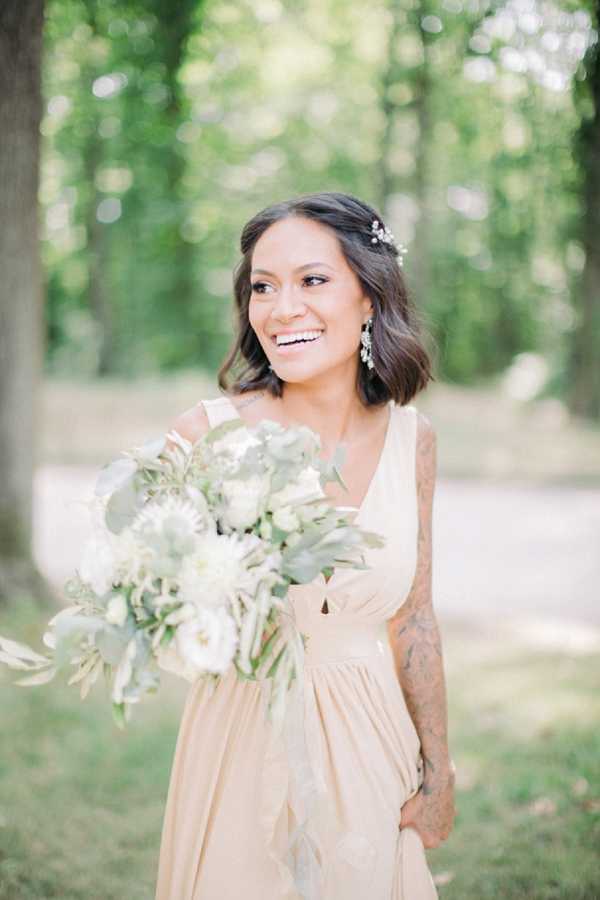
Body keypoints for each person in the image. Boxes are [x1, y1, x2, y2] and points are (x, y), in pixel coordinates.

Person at [155, 191, 456, 899]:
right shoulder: (206, 437)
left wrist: (439, 771)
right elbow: (165, 612)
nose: (281, 308)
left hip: (370, 743)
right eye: (264, 286)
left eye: (312, 280)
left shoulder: (415, 440)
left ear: (370, 298)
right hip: (239, 740)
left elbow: (413, 616)